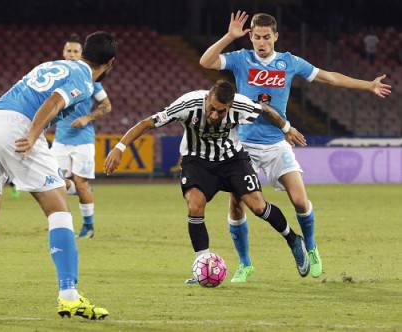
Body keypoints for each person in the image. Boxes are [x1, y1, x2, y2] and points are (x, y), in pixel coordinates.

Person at [199, 11, 391, 281]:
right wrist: (230, 37)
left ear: (276, 36)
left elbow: (330, 77)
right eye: (256, 37)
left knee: (300, 200)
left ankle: (310, 247)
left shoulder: (289, 62)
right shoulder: (241, 59)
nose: (262, 42)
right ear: (250, 37)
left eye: (266, 37)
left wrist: (367, 85)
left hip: (277, 143)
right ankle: (245, 264)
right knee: (236, 205)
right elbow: (206, 61)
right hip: (243, 144)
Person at [0, 31, 117, 320]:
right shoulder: (83, 79)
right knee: (59, 210)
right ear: (111, 63)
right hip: (18, 127)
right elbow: (53, 101)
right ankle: (69, 296)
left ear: (84, 51)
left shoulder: (53, 64)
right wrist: (30, 134)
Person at [104, 80, 310, 284]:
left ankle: (293, 239)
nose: (214, 115)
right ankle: (202, 265)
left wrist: (286, 128)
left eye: (220, 112)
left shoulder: (241, 105)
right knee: (195, 205)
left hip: (232, 160)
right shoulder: (187, 104)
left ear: (229, 107)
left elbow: (265, 109)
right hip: (197, 161)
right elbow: (147, 123)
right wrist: (119, 148)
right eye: (211, 108)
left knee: (258, 206)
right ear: (207, 97)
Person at [51, 34, 112, 239]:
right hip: (60, 139)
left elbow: (106, 106)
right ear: (63, 53)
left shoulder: (90, 79)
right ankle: (65, 223)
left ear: (82, 54)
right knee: (55, 183)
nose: (71, 54)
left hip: (83, 140)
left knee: (81, 182)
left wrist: (87, 117)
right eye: (69, 51)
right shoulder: (57, 77)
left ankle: (88, 226)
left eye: (76, 51)